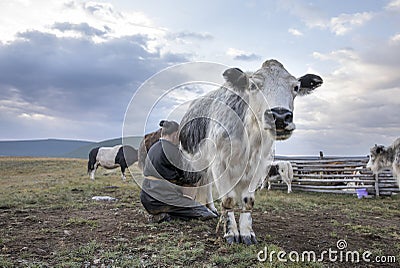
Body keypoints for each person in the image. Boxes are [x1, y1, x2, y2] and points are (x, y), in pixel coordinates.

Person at [140, 120, 217, 223]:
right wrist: (202, 171)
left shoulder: (154, 147)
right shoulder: (172, 150)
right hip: (163, 198)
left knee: (181, 207)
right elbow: (190, 176)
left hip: (147, 198)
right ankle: (166, 216)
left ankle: (163, 214)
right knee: (205, 213)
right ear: (176, 134)